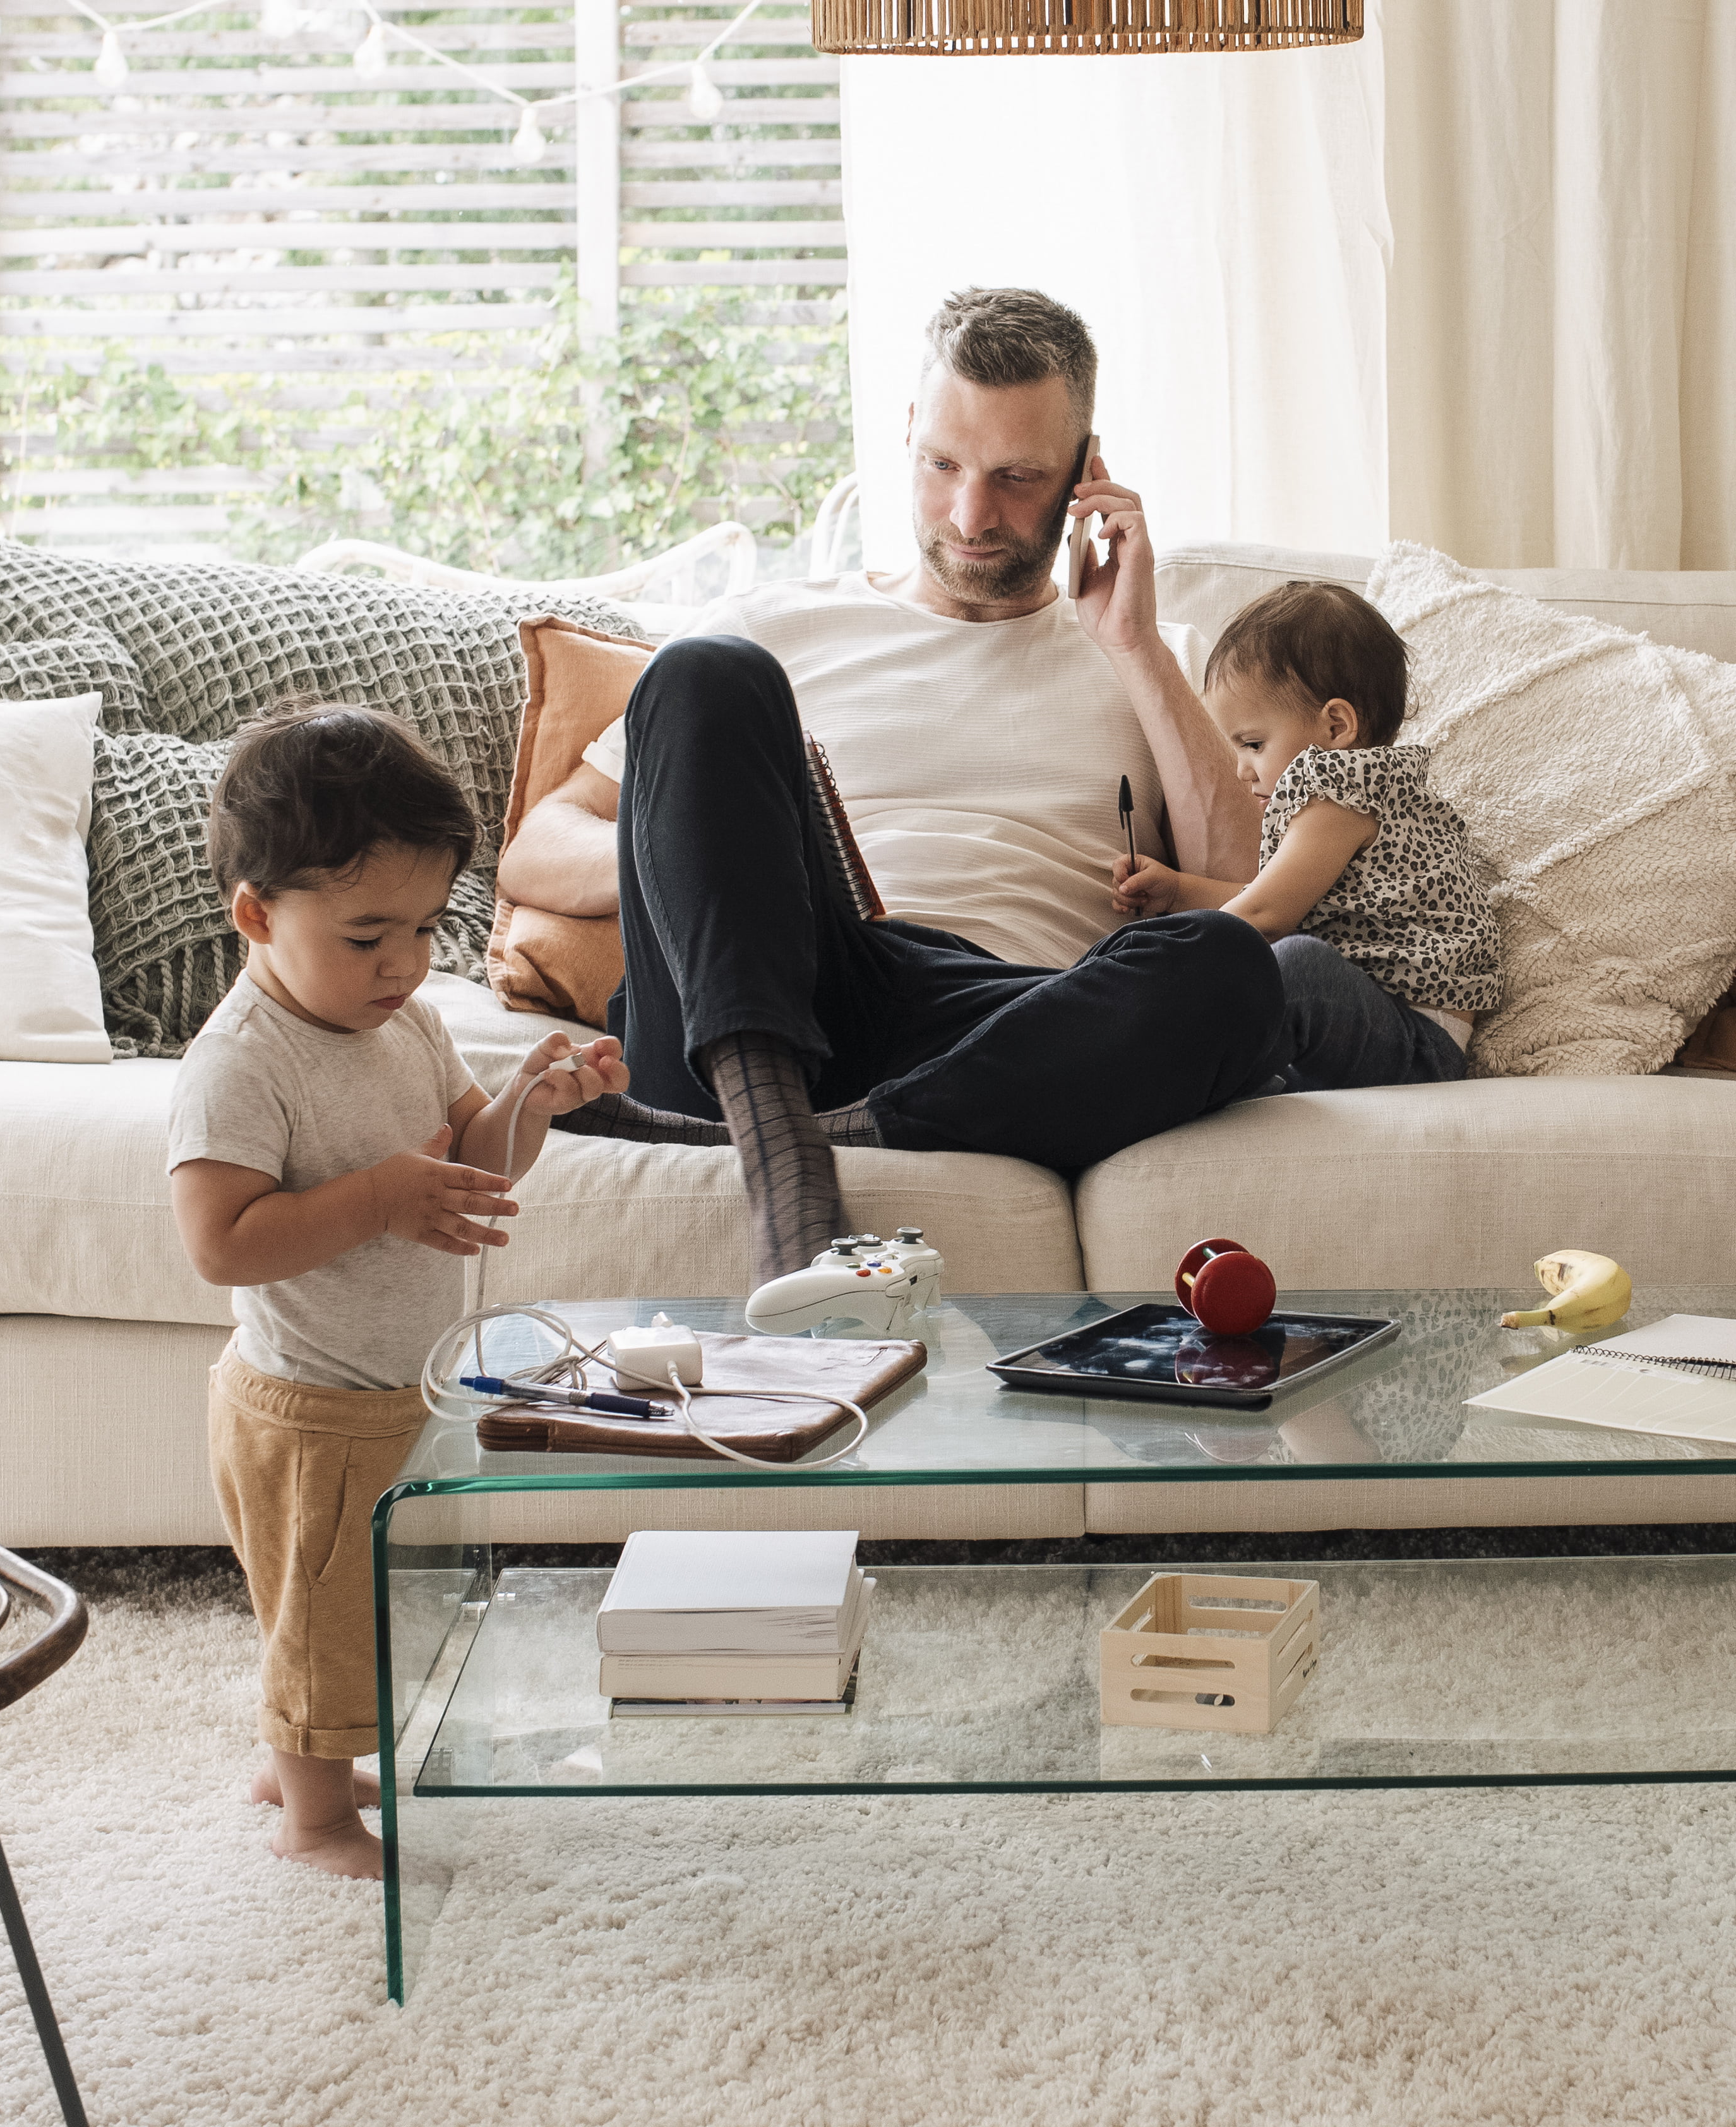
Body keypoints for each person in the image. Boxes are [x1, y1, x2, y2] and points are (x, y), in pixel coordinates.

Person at [501, 287, 1288, 1280]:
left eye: (1016, 477)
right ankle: (781, 1144)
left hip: (1002, 1024)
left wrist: (1130, 645)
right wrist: (735, 865)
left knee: (1234, 974)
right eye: (944, 466)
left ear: (1086, 473)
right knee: (708, 675)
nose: (971, 515)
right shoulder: (776, 622)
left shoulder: (1152, 655)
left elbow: (1249, 896)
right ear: (908, 434)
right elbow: (535, 850)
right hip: (779, 982)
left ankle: (826, 1133)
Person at [167, 700, 630, 1878]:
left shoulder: (405, 1020)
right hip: (312, 1407)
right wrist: (376, 1198)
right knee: (320, 1618)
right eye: (368, 934)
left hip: (398, 1389)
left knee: (367, 1601)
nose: (404, 963)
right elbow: (221, 1241)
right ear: (258, 915)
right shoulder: (242, 1065)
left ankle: (301, 1759)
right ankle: (312, 1819)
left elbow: (474, 1151)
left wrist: (533, 1100)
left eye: (424, 929)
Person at [1110, 578, 1501, 1090]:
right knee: (1288, 962)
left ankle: (1170, 1070)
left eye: (1253, 743)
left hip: (1415, 1045)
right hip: (1371, 1019)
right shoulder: (1364, 794)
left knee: (1296, 965)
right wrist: (1179, 891)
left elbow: (1266, 916)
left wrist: (1162, 959)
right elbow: (1277, 902)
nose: (1241, 771)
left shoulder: (1340, 794)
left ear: (1336, 727)